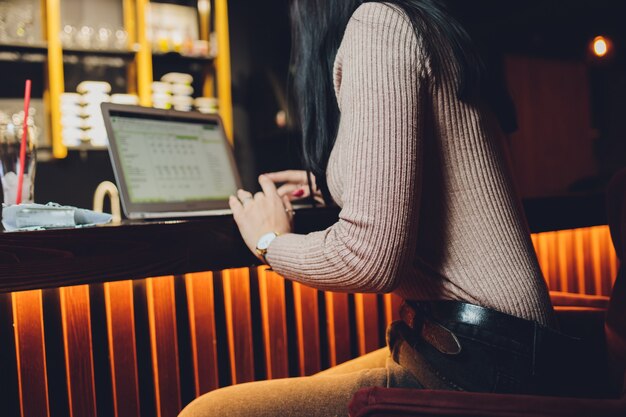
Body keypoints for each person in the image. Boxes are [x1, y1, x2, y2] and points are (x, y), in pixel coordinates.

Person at [180, 1, 582, 416]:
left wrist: (270, 241)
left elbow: (368, 257)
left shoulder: (380, 23)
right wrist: (331, 187)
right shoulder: (426, 22)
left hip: (482, 367)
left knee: (208, 412)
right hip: (497, 353)